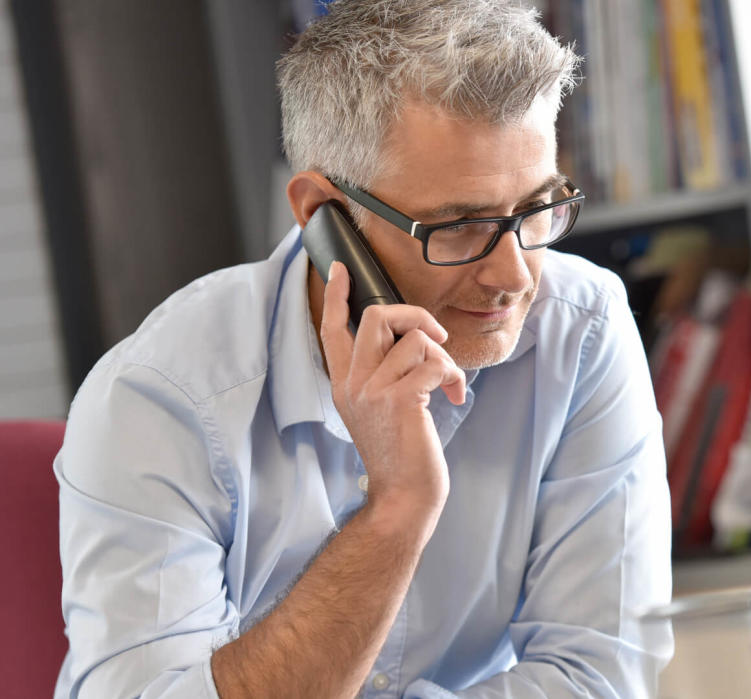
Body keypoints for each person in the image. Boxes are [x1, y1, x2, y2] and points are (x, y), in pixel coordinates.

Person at [53, 1, 673, 696]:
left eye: (537, 210)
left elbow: (600, 675)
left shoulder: (580, 329)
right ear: (323, 213)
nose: (515, 277)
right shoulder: (160, 397)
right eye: (461, 227)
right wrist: (398, 510)